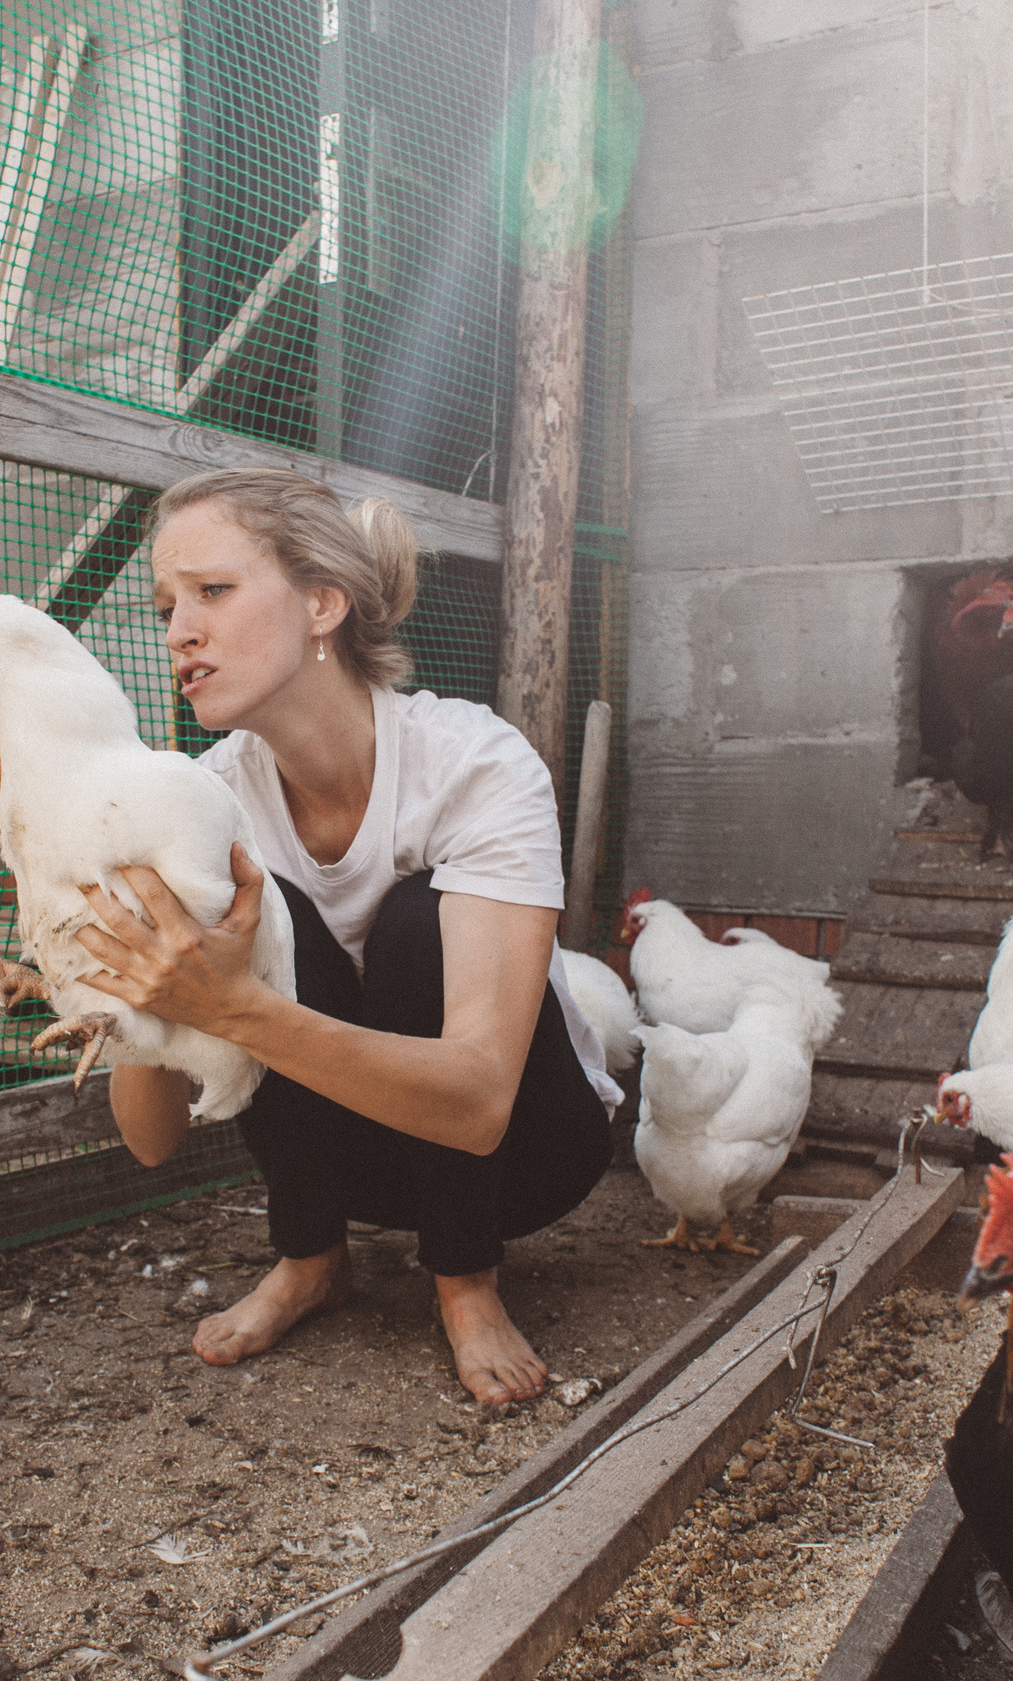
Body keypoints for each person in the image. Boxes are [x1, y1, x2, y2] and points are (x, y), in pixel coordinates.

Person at [80, 467, 621, 1408]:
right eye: (167, 603)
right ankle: (311, 1257)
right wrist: (152, 992)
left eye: (212, 591)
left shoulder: (473, 763)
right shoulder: (204, 801)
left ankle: (467, 1281)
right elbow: (151, 1142)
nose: (179, 631)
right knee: (271, 907)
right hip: (353, 1168)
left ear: (324, 603)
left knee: (416, 921)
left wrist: (233, 1007)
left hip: (526, 1156)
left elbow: (482, 1104)